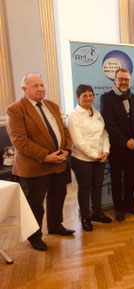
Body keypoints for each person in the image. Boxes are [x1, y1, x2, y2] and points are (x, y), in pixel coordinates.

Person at [6, 73, 74, 251]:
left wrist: (67, 149)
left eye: (42, 85)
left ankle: (55, 225)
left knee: (58, 197)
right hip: (35, 167)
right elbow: (20, 141)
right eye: (35, 86)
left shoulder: (52, 105)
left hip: (59, 162)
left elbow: (64, 130)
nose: (40, 89)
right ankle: (34, 236)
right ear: (24, 89)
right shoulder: (15, 109)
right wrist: (46, 156)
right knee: (35, 204)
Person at [100, 68, 134, 221]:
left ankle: (130, 204)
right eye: (121, 79)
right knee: (117, 179)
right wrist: (125, 141)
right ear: (115, 80)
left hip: (133, 147)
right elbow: (110, 124)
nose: (124, 82)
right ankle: (119, 208)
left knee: (131, 178)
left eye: (127, 79)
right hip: (118, 148)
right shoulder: (106, 98)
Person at [67, 84, 111, 232]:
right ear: (78, 98)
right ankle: (85, 217)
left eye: (91, 95)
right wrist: (95, 155)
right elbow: (78, 141)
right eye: (85, 95)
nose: (88, 98)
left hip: (100, 157)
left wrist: (105, 151)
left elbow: (104, 134)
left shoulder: (97, 113)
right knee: (84, 189)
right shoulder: (74, 116)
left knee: (97, 187)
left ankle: (97, 213)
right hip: (82, 159)